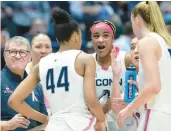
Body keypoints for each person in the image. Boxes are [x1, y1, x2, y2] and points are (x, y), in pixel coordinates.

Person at [8, 8, 106, 131]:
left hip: (54, 126)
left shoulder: (41, 65)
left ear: (58, 40)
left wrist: (45, 119)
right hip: (80, 124)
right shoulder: (84, 59)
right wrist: (101, 119)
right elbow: (91, 100)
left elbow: (14, 100)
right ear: (77, 35)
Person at [115, 1, 171, 131]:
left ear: (137, 20)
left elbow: (154, 87)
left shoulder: (146, 42)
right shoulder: (165, 42)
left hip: (154, 115)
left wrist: (128, 109)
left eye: (132, 22)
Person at [90, 20, 138, 131]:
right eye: (96, 36)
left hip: (127, 123)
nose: (100, 40)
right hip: (100, 123)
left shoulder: (126, 59)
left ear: (113, 39)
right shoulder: (88, 62)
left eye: (105, 36)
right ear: (92, 40)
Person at [1, 36, 48, 131]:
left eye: (22, 52)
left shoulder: (36, 86)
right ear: (5, 55)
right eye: (13, 52)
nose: (18, 56)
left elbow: (45, 122)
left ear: (29, 57)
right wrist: (7, 125)